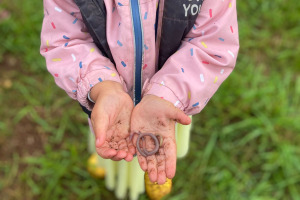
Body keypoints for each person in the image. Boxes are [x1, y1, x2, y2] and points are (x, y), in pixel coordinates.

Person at [40, 0, 239, 199]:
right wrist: (102, 87)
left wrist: (167, 95)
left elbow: (212, 45)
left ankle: (154, 174)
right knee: (109, 142)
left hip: (169, 105)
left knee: (159, 150)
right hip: (108, 106)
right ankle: (107, 166)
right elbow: (65, 41)